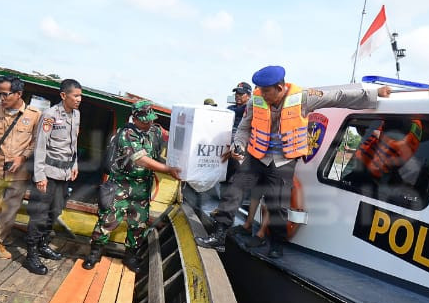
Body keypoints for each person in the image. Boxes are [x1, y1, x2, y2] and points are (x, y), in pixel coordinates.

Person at [196, 65, 391, 257]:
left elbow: (338, 96)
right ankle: (219, 235)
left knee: (277, 204)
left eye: (266, 91)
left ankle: (276, 243)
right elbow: (244, 128)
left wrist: (374, 93)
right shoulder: (255, 100)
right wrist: (238, 145)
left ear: (279, 88)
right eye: (260, 90)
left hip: (283, 161)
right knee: (234, 191)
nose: (261, 94)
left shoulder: (304, 98)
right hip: (257, 156)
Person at [83, 100, 181, 272]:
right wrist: (168, 169)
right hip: (121, 185)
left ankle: (130, 257)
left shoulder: (155, 131)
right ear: (134, 118)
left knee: (138, 225)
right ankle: (94, 254)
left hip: (142, 188)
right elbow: (140, 159)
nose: (148, 123)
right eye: (144, 120)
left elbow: (174, 138)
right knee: (107, 221)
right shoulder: (126, 133)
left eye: (150, 119)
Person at [0, 76, 41, 259]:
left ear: (18, 94)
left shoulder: (34, 114)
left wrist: (23, 158)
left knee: (10, 209)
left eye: (5, 94)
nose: (2, 97)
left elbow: (37, 142)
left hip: (18, 171)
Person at [24, 79, 82, 275]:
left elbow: (73, 144)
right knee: (39, 214)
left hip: (64, 174)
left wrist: (74, 164)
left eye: (80, 96)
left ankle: (43, 244)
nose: (79, 99)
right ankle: (31, 255)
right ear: (63, 95)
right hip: (47, 174)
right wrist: (39, 176)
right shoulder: (49, 116)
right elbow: (40, 146)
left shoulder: (77, 115)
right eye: (76, 95)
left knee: (54, 211)